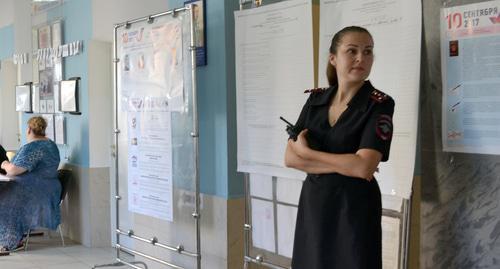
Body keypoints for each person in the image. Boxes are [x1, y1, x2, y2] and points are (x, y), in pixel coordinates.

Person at [285, 26, 395, 269]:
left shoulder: (379, 103)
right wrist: (346, 163)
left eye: (368, 52)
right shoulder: (316, 99)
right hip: (315, 205)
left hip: (354, 208)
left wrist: (309, 154)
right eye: (352, 51)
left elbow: (364, 167)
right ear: (333, 58)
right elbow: (290, 159)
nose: (361, 58)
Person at [0, 116, 61, 255]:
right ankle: (15, 235)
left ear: (28, 129)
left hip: (35, 189)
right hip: (48, 187)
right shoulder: (50, 144)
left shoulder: (34, 147)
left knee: (4, 201)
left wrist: (3, 163)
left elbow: (14, 170)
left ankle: (12, 241)